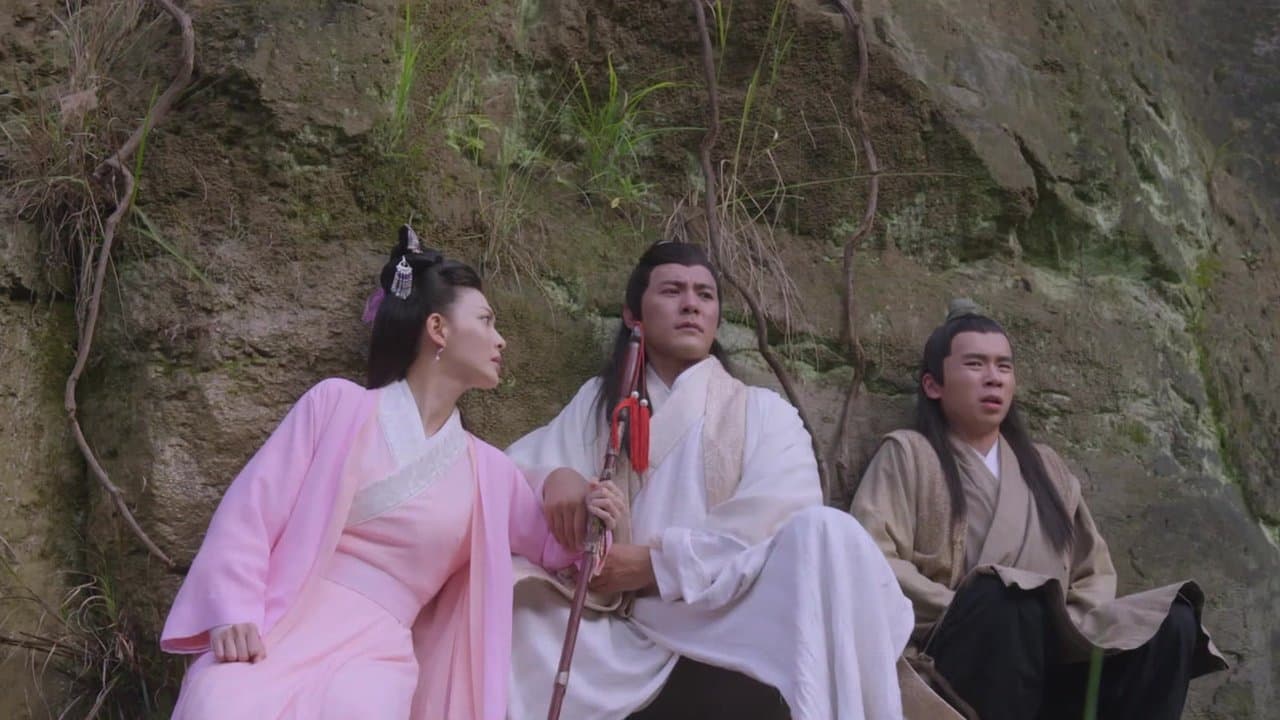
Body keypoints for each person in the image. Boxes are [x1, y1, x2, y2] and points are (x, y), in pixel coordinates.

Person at [160, 226, 624, 720]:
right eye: (486, 321)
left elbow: (562, 545)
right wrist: (233, 610)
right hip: (285, 617)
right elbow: (251, 511)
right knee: (218, 699)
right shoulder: (336, 405)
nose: (500, 339)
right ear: (438, 329)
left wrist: (586, 505)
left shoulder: (489, 471)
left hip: (375, 655)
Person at [503, 241, 913, 720]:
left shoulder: (764, 412)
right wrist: (555, 478)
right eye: (672, 291)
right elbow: (507, 475)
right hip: (616, 619)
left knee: (828, 532)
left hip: (723, 613)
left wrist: (656, 564)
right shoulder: (599, 404)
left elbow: (778, 518)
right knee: (512, 600)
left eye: (705, 294)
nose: (691, 305)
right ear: (633, 315)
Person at [850, 304, 1227, 720]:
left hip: (1053, 661)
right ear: (933, 385)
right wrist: (967, 606)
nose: (994, 377)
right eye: (975, 364)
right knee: (1008, 598)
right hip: (958, 661)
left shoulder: (1047, 467)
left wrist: (1062, 627)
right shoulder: (908, 454)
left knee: (1174, 619)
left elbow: (1093, 573)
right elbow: (874, 563)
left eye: (1004, 366)